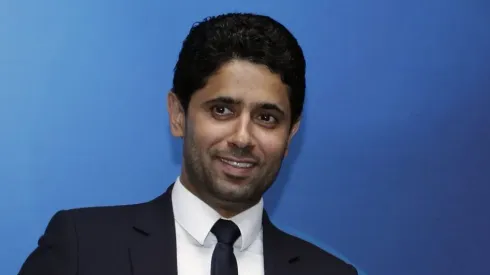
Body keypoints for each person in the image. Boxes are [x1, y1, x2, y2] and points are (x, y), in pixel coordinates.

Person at [19, 12, 357, 275]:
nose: (242, 137)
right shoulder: (83, 249)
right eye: (222, 110)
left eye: (267, 117)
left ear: (291, 133)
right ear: (178, 115)